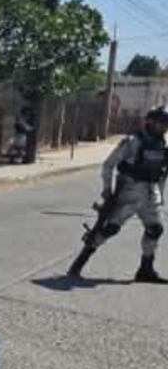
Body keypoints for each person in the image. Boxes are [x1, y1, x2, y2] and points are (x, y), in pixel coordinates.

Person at [67, 106, 168, 282]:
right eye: (161, 123)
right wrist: (107, 188)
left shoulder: (162, 144)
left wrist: (161, 195)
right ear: (150, 121)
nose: (164, 127)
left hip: (151, 194)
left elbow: (162, 173)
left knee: (155, 229)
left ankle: (145, 270)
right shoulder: (132, 141)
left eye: (166, 124)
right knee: (109, 228)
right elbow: (108, 164)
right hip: (129, 192)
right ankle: (78, 265)